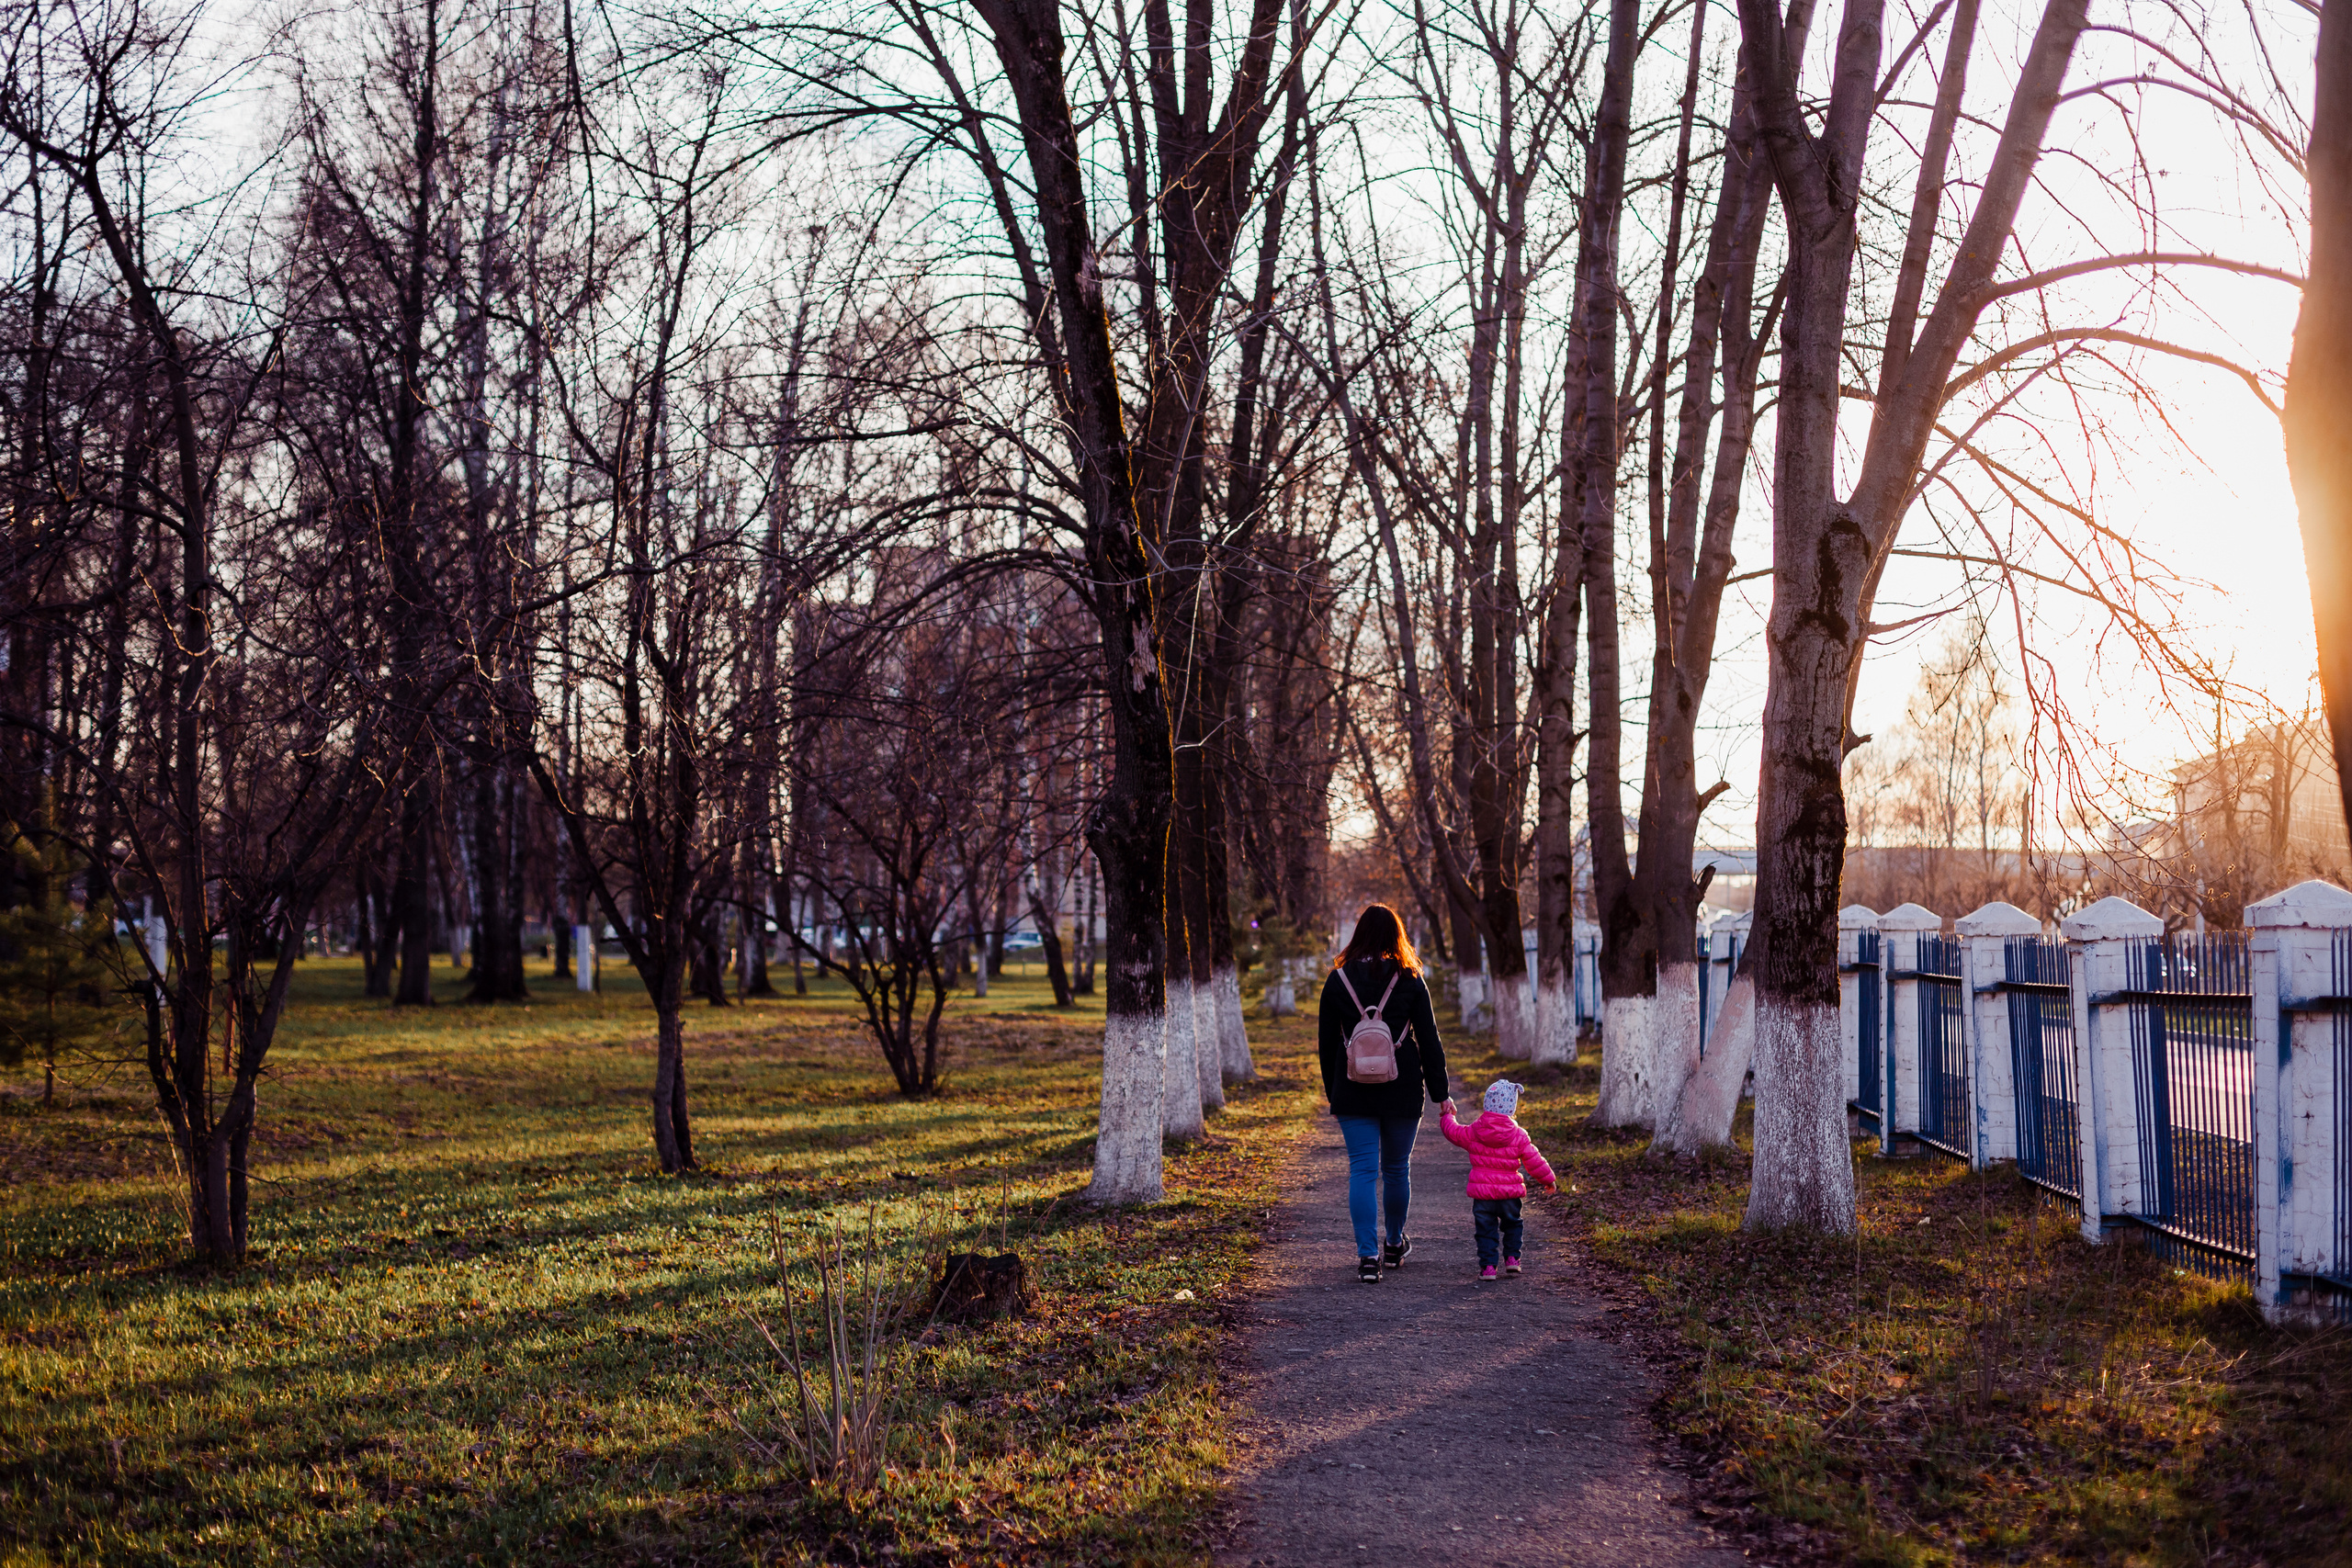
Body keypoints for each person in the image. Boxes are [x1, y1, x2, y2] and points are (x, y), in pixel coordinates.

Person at [1317, 904, 1448, 1284]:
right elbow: (1429, 1040)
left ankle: (1367, 1257)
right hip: (1403, 1088)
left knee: (1362, 1170)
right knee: (1395, 1169)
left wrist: (1334, 1092)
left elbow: (1327, 1045)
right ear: (1397, 935)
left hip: (1353, 1090)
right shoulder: (1410, 978)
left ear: (1358, 934)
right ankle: (1393, 1244)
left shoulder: (1337, 979)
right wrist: (1441, 1093)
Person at [1438, 1078, 1557, 1281]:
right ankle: (1512, 1259)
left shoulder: (1475, 1131)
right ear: (1512, 1107)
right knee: (1513, 1224)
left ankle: (1488, 1269)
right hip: (1509, 1195)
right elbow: (1534, 1160)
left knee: (1485, 1231)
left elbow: (1454, 1132)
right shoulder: (1519, 1135)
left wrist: (1447, 1116)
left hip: (1483, 1196)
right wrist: (1548, 1179)